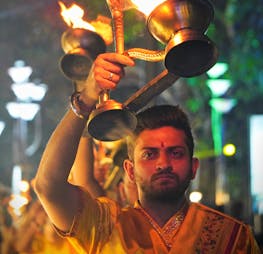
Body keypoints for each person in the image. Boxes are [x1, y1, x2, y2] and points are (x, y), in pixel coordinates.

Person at [34, 52, 261, 253]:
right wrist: (86, 99)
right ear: (130, 170)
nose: (164, 163)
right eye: (149, 154)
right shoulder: (105, 227)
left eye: (176, 153)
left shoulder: (232, 237)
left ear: (193, 167)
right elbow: (48, 186)